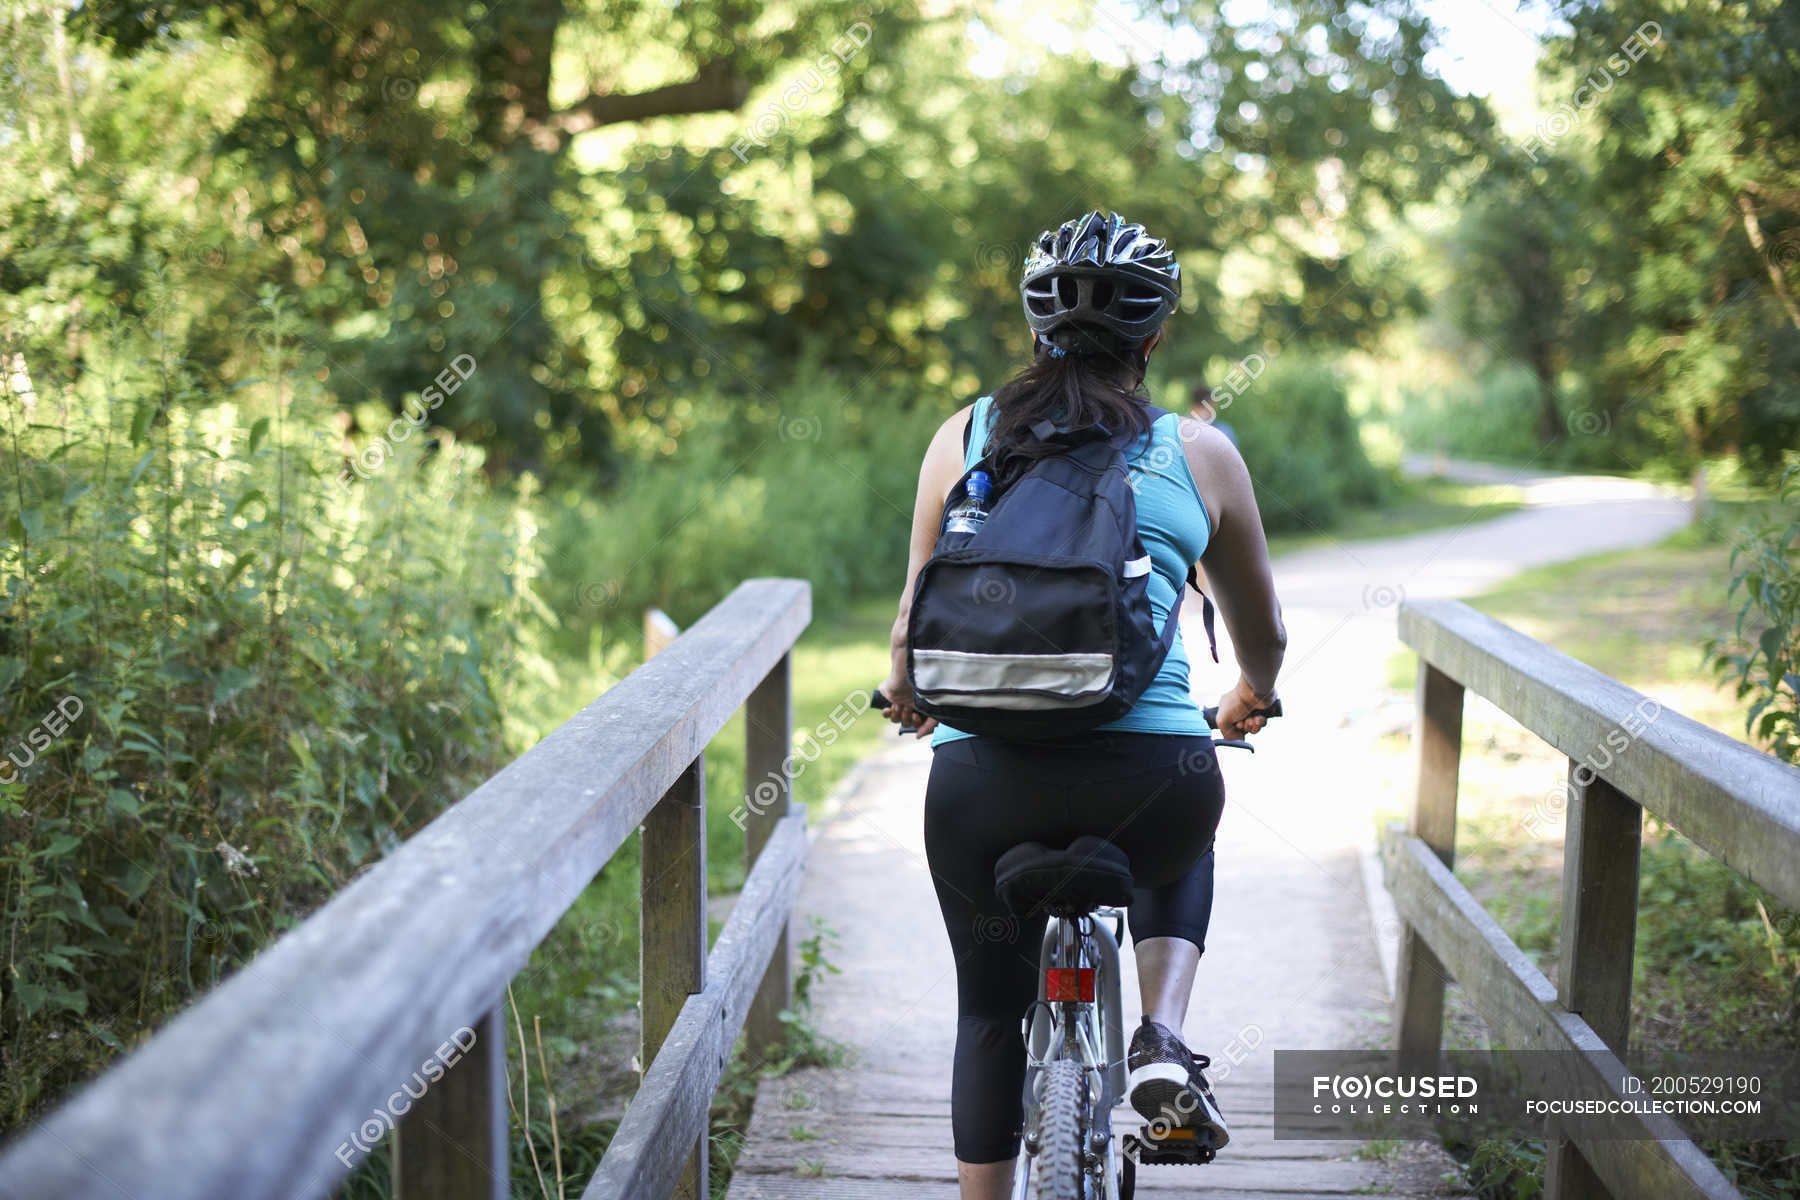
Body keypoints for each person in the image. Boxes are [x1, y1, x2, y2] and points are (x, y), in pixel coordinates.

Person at [878, 210, 1287, 1200]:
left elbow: (909, 623)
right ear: (1153, 339)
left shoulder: (963, 437)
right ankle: (1163, 1039)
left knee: (988, 1014)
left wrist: (908, 695)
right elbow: (1263, 628)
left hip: (984, 785)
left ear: (1036, 331)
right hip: (1152, 778)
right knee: (1183, 833)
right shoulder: (1200, 451)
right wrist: (1250, 697)